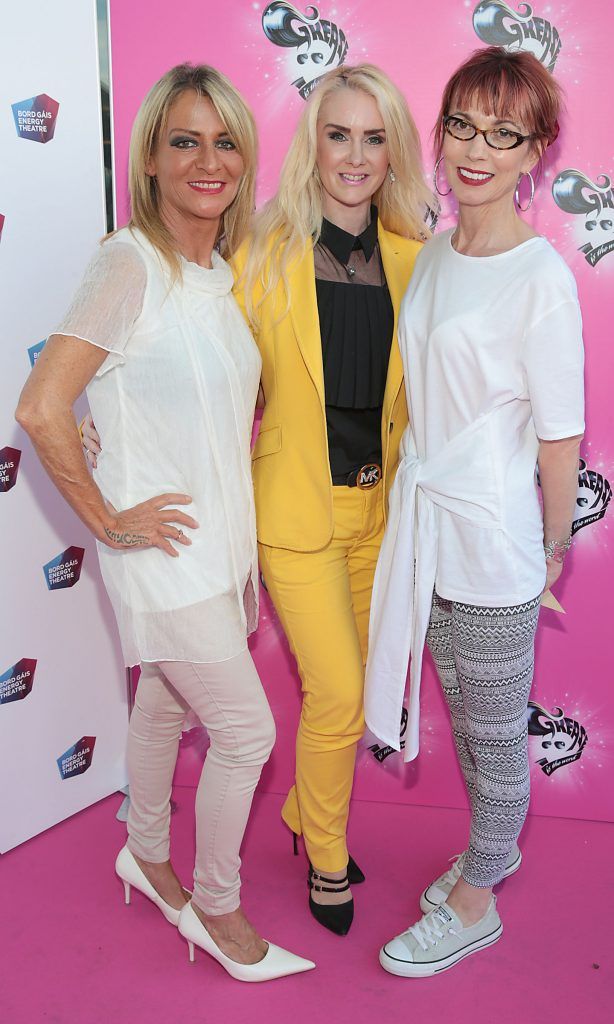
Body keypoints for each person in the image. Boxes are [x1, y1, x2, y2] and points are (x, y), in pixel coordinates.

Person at [15, 63, 314, 983]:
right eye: (184, 140)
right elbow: (40, 407)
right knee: (247, 734)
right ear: (149, 157)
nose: (207, 160)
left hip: (215, 546)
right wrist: (104, 519)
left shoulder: (215, 273)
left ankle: (145, 856)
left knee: (165, 702)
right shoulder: (129, 262)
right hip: (160, 553)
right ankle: (216, 910)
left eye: (224, 141)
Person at [364, 47, 585, 976]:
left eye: (505, 134)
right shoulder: (439, 254)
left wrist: (549, 550)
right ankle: (489, 851)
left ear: (535, 152)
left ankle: (480, 894)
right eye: (463, 126)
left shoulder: (541, 276)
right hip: (431, 527)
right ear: (441, 132)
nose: (477, 150)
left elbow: (560, 434)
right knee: (464, 711)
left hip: (492, 536)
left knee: (495, 727)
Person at [233, 63, 433, 935]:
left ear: (395, 152)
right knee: (340, 698)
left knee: (352, 700)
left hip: (378, 517)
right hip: (293, 517)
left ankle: (298, 815)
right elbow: (209, 376)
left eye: (374, 136)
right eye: (338, 133)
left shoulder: (418, 262)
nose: (355, 155)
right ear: (313, 143)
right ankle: (324, 859)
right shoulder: (257, 253)